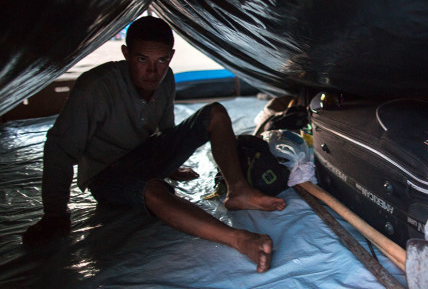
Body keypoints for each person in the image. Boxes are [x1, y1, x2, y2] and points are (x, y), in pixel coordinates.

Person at [22, 16, 286, 273]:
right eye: (142, 60)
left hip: (144, 157)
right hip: (107, 174)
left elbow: (167, 131)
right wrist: (54, 213)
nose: (152, 71)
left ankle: (238, 191)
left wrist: (170, 165)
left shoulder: (166, 78)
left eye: (161, 61)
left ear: (170, 57)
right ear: (126, 54)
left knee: (215, 112)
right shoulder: (95, 88)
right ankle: (238, 239)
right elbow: (60, 148)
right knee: (154, 188)